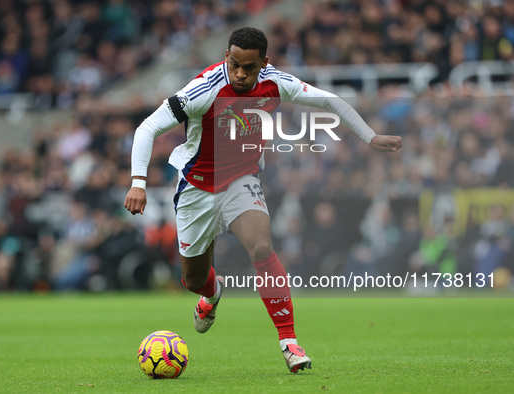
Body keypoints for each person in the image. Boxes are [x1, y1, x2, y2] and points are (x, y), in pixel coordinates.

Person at [124, 27, 402, 373]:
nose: (240, 74)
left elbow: (328, 100)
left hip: (241, 181)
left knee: (261, 248)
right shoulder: (203, 89)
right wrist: (138, 182)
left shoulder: (276, 82)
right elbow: (147, 128)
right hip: (196, 188)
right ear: (227, 56)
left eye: (249, 67)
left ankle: (290, 343)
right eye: (234, 64)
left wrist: (370, 136)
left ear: (263, 63)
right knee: (194, 279)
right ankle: (212, 295)